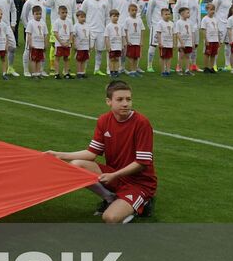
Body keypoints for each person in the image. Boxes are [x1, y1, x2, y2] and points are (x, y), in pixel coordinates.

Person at [46, 80, 157, 223]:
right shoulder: (104, 120)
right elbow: (91, 153)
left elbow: (141, 163)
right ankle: (110, 198)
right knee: (76, 165)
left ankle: (145, 202)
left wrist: (113, 175)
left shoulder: (141, 123)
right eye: (120, 99)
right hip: (114, 175)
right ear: (108, 101)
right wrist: (58, 155)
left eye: (128, 99)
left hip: (139, 183)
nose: (125, 104)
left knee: (110, 218)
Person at [80, 0, 110, 76]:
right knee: (88, 50)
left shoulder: (105, 2)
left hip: (101, 30)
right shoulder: (87, 1)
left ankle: (97, 69)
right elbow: (81, 14)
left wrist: (107, 29)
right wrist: (84, 27)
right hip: (90, 30)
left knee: (100, 50)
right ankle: (83, 69)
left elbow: (107, 17)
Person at [25, 4, 48, 78]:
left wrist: (45, 44)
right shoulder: (31, 23)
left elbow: (45, 34)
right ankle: (34, 73)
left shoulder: (43, 23)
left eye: (40, 14)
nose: (38, 15)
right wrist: (30, 44)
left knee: (39, 60)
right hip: (34, 45)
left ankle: (38, 73)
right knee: (33, 59)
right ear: (33, 14)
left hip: (41, 45)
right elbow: (29, 34)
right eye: (37, 14)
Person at [51, 4, 73, 79]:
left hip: (67, 43)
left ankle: (66, 73)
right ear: (59, 13)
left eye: (66, 12)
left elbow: (71, 32)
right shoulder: (57, 22)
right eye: (63, 12)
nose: (64, 14)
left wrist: (69, 42)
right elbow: (55, 33)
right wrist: (61, 42)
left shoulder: (69, 21)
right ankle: (56, 73)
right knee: (57, 58)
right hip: (59, 44)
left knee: (67, 58)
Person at [152, 7, 176, 77]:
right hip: (163, 44)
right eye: (166, 14)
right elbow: (158, 33)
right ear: (162, 15)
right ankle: (163, 71)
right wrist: (160, 42)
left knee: (169, 57)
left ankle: (168, 70)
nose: (168, 15)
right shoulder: (160, 23)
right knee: (162, 57)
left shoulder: (172, 23)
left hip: (170, 44)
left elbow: (174, 34)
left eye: (169, 14)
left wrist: (174, 43)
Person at [122, 2, 144, 77]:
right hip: (131, 42)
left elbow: (142, 30)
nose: (134, 12)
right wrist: (127, 41)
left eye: (135, 10)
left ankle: (135, 70)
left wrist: (141, 41)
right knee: (131, 57)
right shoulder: (127, 20)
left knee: (136, 57)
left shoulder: (139, 20)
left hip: (137, 41)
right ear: (129, 11)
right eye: (132, 10)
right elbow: (125, 30)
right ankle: (131, 71)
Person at [198, 5, 221, 76]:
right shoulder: (205, 19)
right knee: (207, 54)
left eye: (213, 9)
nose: (212, 11)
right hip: (209, 40)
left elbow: (217, 30)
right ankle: (206, 67)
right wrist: (206, 40)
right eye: (211, 10)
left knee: (213, 54)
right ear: (207, 10)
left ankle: (211, 67)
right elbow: (203, 30)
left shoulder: (215, 19)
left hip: (215, 40)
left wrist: (218, 40)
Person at [173, 7, 196, 76]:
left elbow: (192, 32)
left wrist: (192, 42)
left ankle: (187, 70)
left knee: (188, 57)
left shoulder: (190, 22)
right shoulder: (178, 22)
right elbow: (178, 33)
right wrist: (181, 42)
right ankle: (179, 69)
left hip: (189, 42)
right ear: (182, 14)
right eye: (187, 13)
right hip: (182, 43)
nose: (189, 14)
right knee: (181, 56)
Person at [72, 9, 91, 79]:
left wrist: (89, 45)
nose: (83, 19)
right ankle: (79, 73)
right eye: (81, 17)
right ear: (77, 17)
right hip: (80, 46)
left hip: (86, 46)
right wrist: (74, 44)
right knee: (79, 60)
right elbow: (73, 36)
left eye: (84, 17)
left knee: (84, 60)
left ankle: (82, 72)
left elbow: (89, 36)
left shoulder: (87, 25)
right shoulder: (76, 26)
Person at [106, 9, 125, 76]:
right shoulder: (108, 26)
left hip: (118, 46)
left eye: (117, 16)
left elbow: (123, 36)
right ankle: (111, 72)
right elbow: (106, 37)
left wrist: (123, 45)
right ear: (110, 17)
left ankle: (116, 71)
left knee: (117, 59)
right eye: (114, 16)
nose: (116, 18)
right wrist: (108, 46)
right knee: (112, 59)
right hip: (112, 46)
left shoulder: (120, 26)